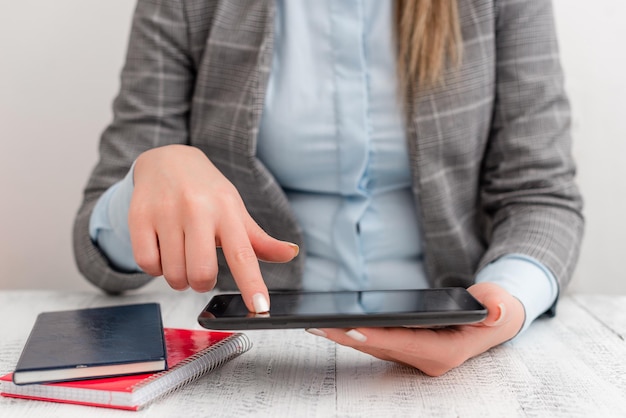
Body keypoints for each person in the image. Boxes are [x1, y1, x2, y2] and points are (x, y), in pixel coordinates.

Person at [73, 0, 583, 376]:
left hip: (464, 351)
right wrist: (151, 175)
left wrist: (506, 304)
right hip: (249, 354)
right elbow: (97, 253)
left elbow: (540, 195)